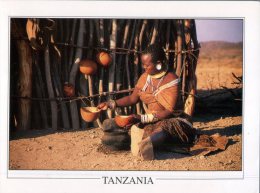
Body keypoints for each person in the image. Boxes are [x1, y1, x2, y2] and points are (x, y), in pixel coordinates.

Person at [97, 43, 197, 160]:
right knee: (111, 123)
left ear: (159, 64)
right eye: (143, 64)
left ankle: (147, 145)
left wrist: (141, 118)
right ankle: (136, 142)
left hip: (175, 120)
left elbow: (169, 112)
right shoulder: (145, 77)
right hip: (151, 121)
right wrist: (111, 104)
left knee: (164, 128)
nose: (144, 68)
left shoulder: (171, 80)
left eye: (147, 65)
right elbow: (132, 98)